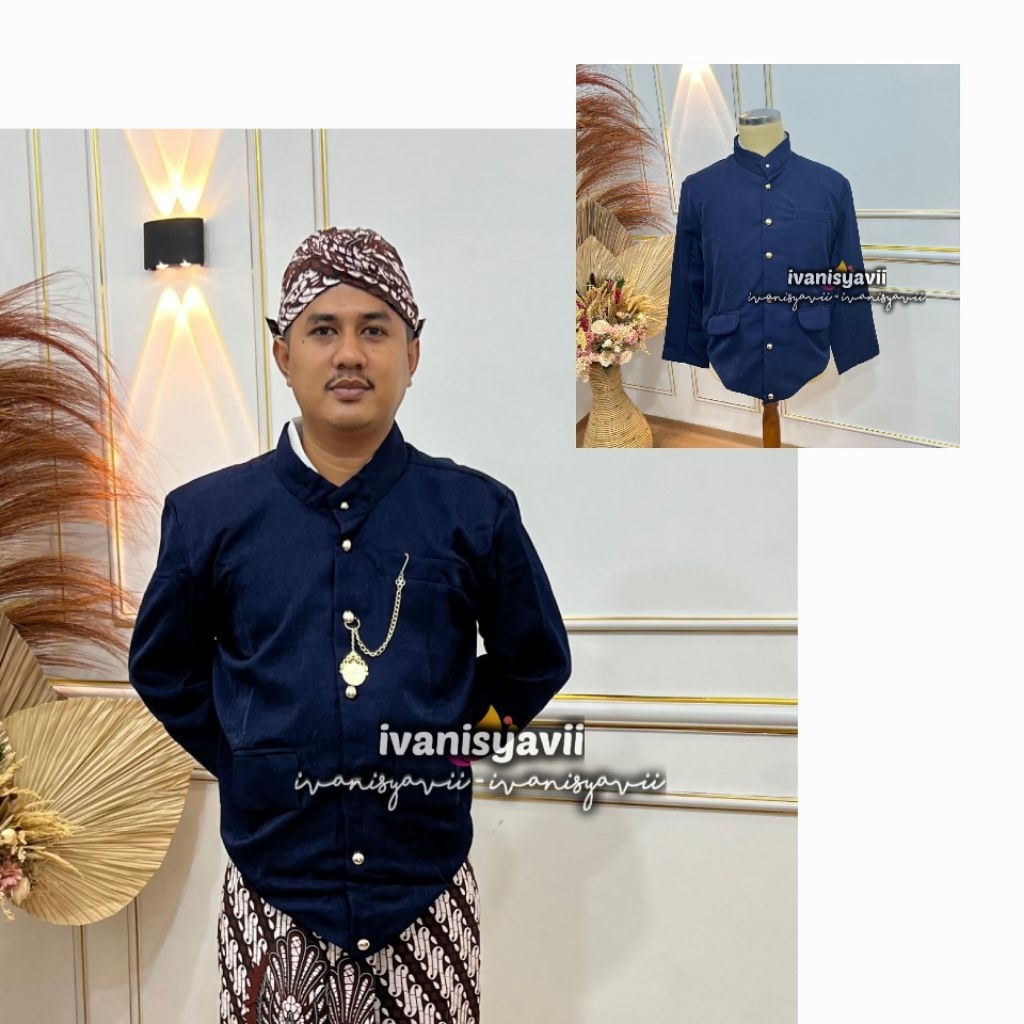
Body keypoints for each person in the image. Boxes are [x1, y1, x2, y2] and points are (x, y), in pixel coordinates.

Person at [128, 226, 572, 1024]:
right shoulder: (209, 517)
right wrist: (246, 754)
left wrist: (448, 744)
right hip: (273, 891)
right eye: (323, 330)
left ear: (413, 354)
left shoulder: (473, 511)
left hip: (424, 892)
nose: (349, 355)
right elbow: (163, 668)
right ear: (282, 354)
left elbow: (534, 663)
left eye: (375, 330)